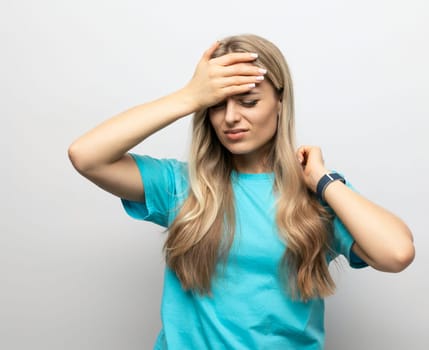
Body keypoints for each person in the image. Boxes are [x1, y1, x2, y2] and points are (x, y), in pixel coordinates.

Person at [68, 34, 415, 349]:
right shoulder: (183, 186)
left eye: (248, 101)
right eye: (218, 104)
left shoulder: (316, 193)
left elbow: (397, 252)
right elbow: (86, 156)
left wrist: (323, 180)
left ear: (280, 102)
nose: (230, 117)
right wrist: (190, 96)